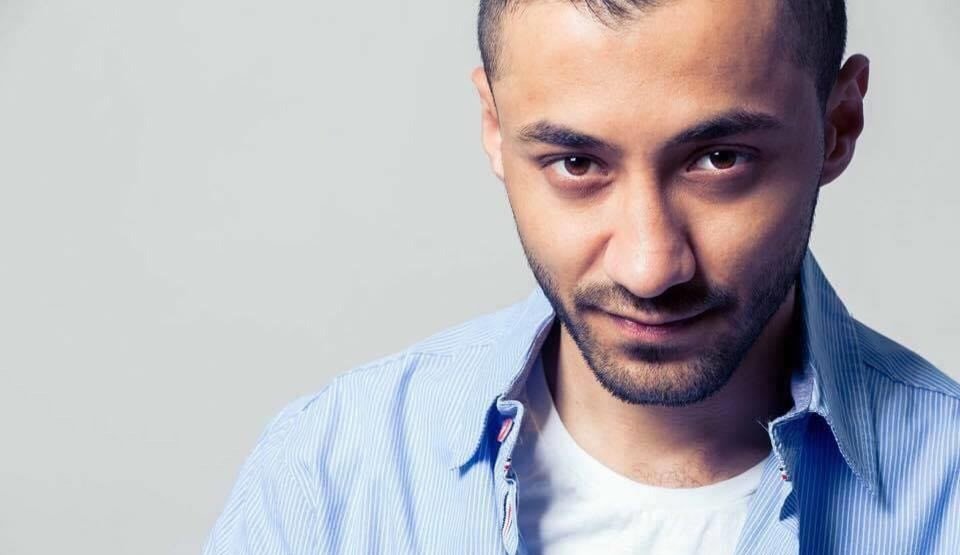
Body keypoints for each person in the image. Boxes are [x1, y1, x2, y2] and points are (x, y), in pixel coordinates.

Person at [204, 1, 960, 553]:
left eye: (719, 159)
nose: (649, 267)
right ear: (494, 128)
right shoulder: (329, 475)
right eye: (576, 164)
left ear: (838, 124)